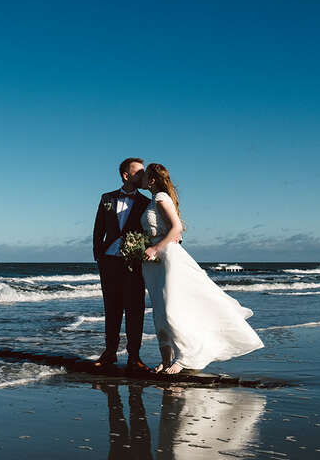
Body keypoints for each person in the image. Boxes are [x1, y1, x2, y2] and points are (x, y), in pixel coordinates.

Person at [140, 163, 264, 374]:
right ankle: (166, 360)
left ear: (151, 179)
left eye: (144, 175)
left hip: (167, 257)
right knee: (160, 312)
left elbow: (176, 228)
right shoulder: (153, 199)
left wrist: (154, 248)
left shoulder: (161, 197)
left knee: (172, 308)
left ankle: (185, 357)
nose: (141, 178)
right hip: (154, 263)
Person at [92, 158, 151, 373]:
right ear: (126, 175)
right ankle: (110, 353)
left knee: (135, 309)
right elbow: (98, 228)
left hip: (133, 263)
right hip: (108, 261)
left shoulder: (146, 202)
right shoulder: (106, 198)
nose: (142, 176)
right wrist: (98, 256)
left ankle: (134, 357)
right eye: (138, 173)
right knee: (112, 309)